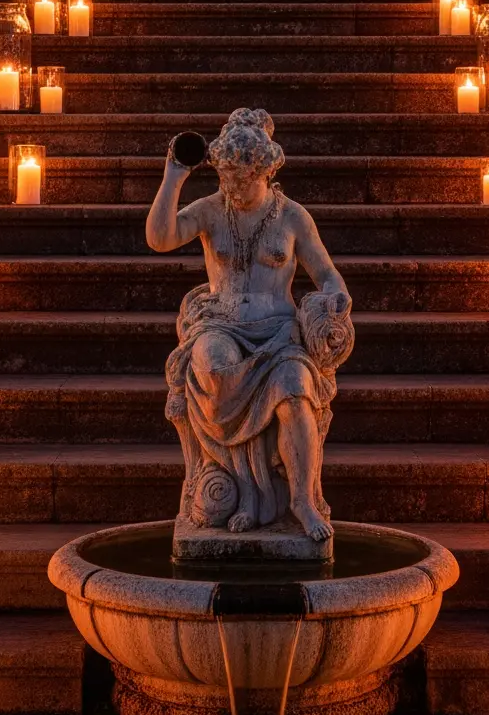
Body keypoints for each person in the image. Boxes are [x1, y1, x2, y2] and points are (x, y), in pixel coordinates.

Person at [147, 107, 353, 546]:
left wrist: (336, 299)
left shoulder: (293, 217)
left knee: (296, 389)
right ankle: (241, 488)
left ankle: (301, 500)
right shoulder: (211, 208)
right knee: (215, 368)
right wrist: (174, 176)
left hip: (279, 333)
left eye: (242, 179)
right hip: (219, 324)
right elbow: (160, 238)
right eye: (225, 177)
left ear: (265, 169)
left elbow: (327, 274)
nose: (233, 188)